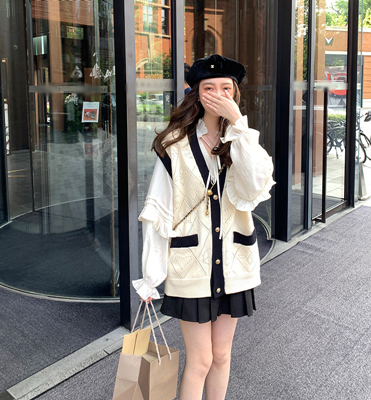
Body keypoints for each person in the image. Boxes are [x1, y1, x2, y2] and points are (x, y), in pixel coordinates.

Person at [132, 54, 275, 400]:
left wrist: (237, 123)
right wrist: (151, 275)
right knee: (201, 360)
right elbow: (158, 210)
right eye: (209, 88)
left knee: (222, 355)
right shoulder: (174, 144)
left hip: (234, 263)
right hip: (190, 266)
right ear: (197, 93)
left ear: (235, 94)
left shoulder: (242, 140)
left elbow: (256, 185)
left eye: (226, 88)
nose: (218, 95)